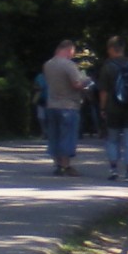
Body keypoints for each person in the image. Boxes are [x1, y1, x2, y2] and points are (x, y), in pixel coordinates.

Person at [98, 38, 128, 181]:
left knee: (112, 139)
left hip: (113, 109)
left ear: (110, 49)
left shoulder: (107, 67)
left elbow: (103, 91)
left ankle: (113, 169)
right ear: (123, 49)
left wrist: (102, 108)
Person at [41, 40, 90, 176]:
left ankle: (58, 164)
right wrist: (86, 81)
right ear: (69, 50)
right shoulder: (69, 65)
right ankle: (66, 165)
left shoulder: (47, 64)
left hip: (52, 104)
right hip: (69, 105)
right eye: (73, 52)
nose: (72, 55)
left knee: (54, 135)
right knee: (67, 136)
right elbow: (76, 84)